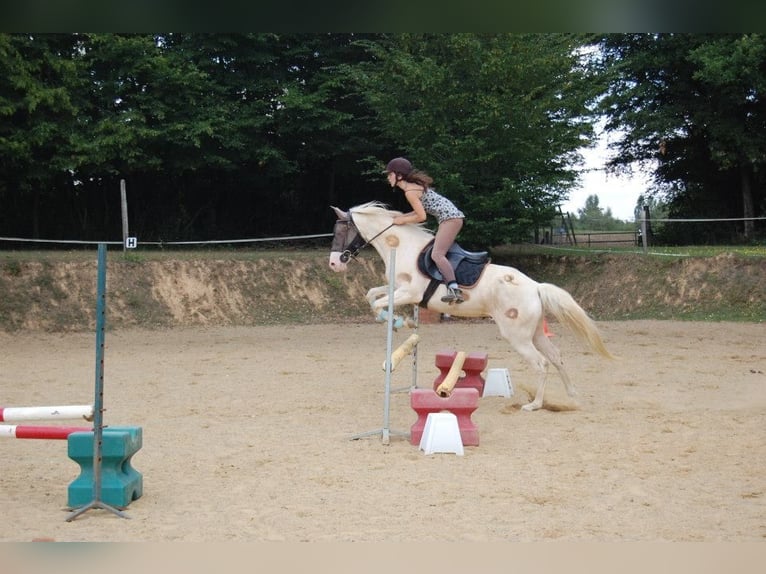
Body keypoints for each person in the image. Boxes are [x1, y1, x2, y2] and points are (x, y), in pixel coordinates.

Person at [384, 157, 465, 304]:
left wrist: (402, 220)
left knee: (437, 254)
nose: (388, 177)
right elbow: (417, 213)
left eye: (390, 174)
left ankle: (454, 289)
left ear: (399, 176)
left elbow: (421, 216)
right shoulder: (412, 188)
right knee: (437, 253)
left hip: (451, 219)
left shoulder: (410, 192)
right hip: (450, 218)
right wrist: (401, 217)